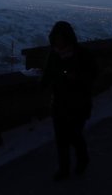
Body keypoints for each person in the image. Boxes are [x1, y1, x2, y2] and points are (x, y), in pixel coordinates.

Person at [41, 21, 97, 181]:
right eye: (56, 39)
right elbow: (48, 75)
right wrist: (41, 85)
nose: (59, 42)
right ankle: (63, 168)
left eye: (61, 39)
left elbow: (94, 73)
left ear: (68, 38)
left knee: (73, 135)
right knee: (61, 138)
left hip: (79, 103)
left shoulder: (82, 54)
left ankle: (82, 157)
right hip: (59, 103)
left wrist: (77, 78)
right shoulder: (54, 55)